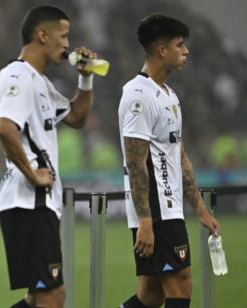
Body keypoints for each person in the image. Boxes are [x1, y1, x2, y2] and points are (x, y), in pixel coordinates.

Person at [0, 5, 96, 308]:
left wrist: (86, 79)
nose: (68, 44)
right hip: (29, 201)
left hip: (37, 203)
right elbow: (4, 128)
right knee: (52, 295)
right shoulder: (18, 75)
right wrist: (32, 173)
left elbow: (76, 118)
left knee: (39, 297)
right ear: (42, 35)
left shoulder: (40, 83)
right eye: (63, 36)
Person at [118, 14, 220, 308]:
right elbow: (135, 163)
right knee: (180, 286)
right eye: (179, 44)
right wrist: (145, 221)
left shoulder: (169, 95)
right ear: (162, 50)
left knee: (151, 295)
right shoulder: (138, 95)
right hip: (156, 210)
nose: (186, 50)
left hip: (170, 207)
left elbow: (180, 156)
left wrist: (200, 209)